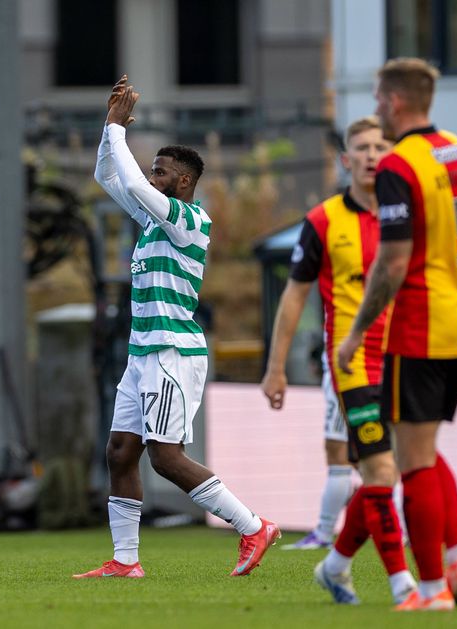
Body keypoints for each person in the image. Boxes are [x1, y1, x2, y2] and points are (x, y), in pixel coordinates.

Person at [74, 76, 279, 579]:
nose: (152, 175)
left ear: (182, 182)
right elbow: (108, 177)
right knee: (121, 452)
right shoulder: (150, 221)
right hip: (142, 353)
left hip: (173, 352)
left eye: (160, 170)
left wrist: (122, 131)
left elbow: (136, 186)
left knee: (165, 458)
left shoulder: (189, 220)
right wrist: (109, 129)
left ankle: (253, 526)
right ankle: (126, 562)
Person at [337, 58, 457, 611]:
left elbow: (394, 263)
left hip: (422, 323)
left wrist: (356, 333)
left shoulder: (401, 165)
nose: (375, 106)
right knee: (422, 444)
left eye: (379, 97)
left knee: (413, 459)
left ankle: (431, 591)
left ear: (397, 101)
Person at [261, 117, 416, 604]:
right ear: (347, 160)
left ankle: (334, 564)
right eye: (362, 148)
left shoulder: (406, 216)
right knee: (379, 473)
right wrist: (275, 365)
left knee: (395, 474)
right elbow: (293, 297)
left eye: (379, 147)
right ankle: (403, 584)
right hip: (352, 365)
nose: (371, 155)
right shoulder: (324, 220)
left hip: (407, 359)